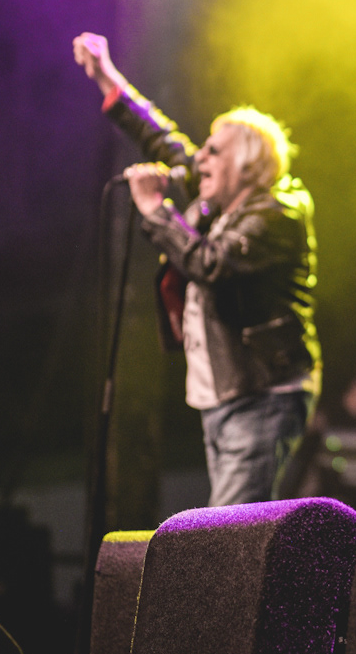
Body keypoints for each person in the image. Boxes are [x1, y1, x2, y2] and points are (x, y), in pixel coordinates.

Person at [73, 33, 321, 507]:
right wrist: (107, 77)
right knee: (230, 527)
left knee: (227, 530)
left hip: (262, 392)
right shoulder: (220, 204)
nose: (198, 157)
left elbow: (211, 264)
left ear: (247, 164)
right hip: (224, 395)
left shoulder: (276, 214)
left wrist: (156, 211)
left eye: (213, 151)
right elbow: (161, 138)